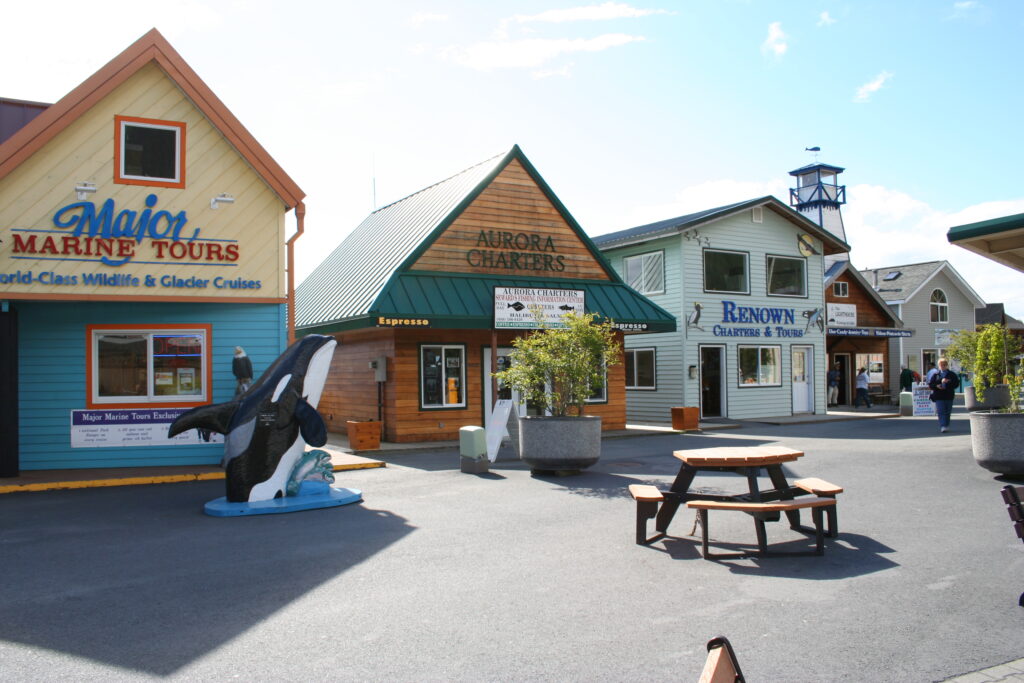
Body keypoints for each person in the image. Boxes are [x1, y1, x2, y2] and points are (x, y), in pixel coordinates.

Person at [929, 357, 960, 433]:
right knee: (941, 411)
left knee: (947, 412)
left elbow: (956, 384)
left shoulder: (951, 374)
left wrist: (948, 382)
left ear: (947, 365)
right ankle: (943, 426)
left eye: (944, 365)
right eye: (941, 365)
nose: (942, 366)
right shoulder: (936, 375)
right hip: (939, 396)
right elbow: (931, 385)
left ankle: (946, 425)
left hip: (948, 395)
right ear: (938, 365)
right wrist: (937, 385)